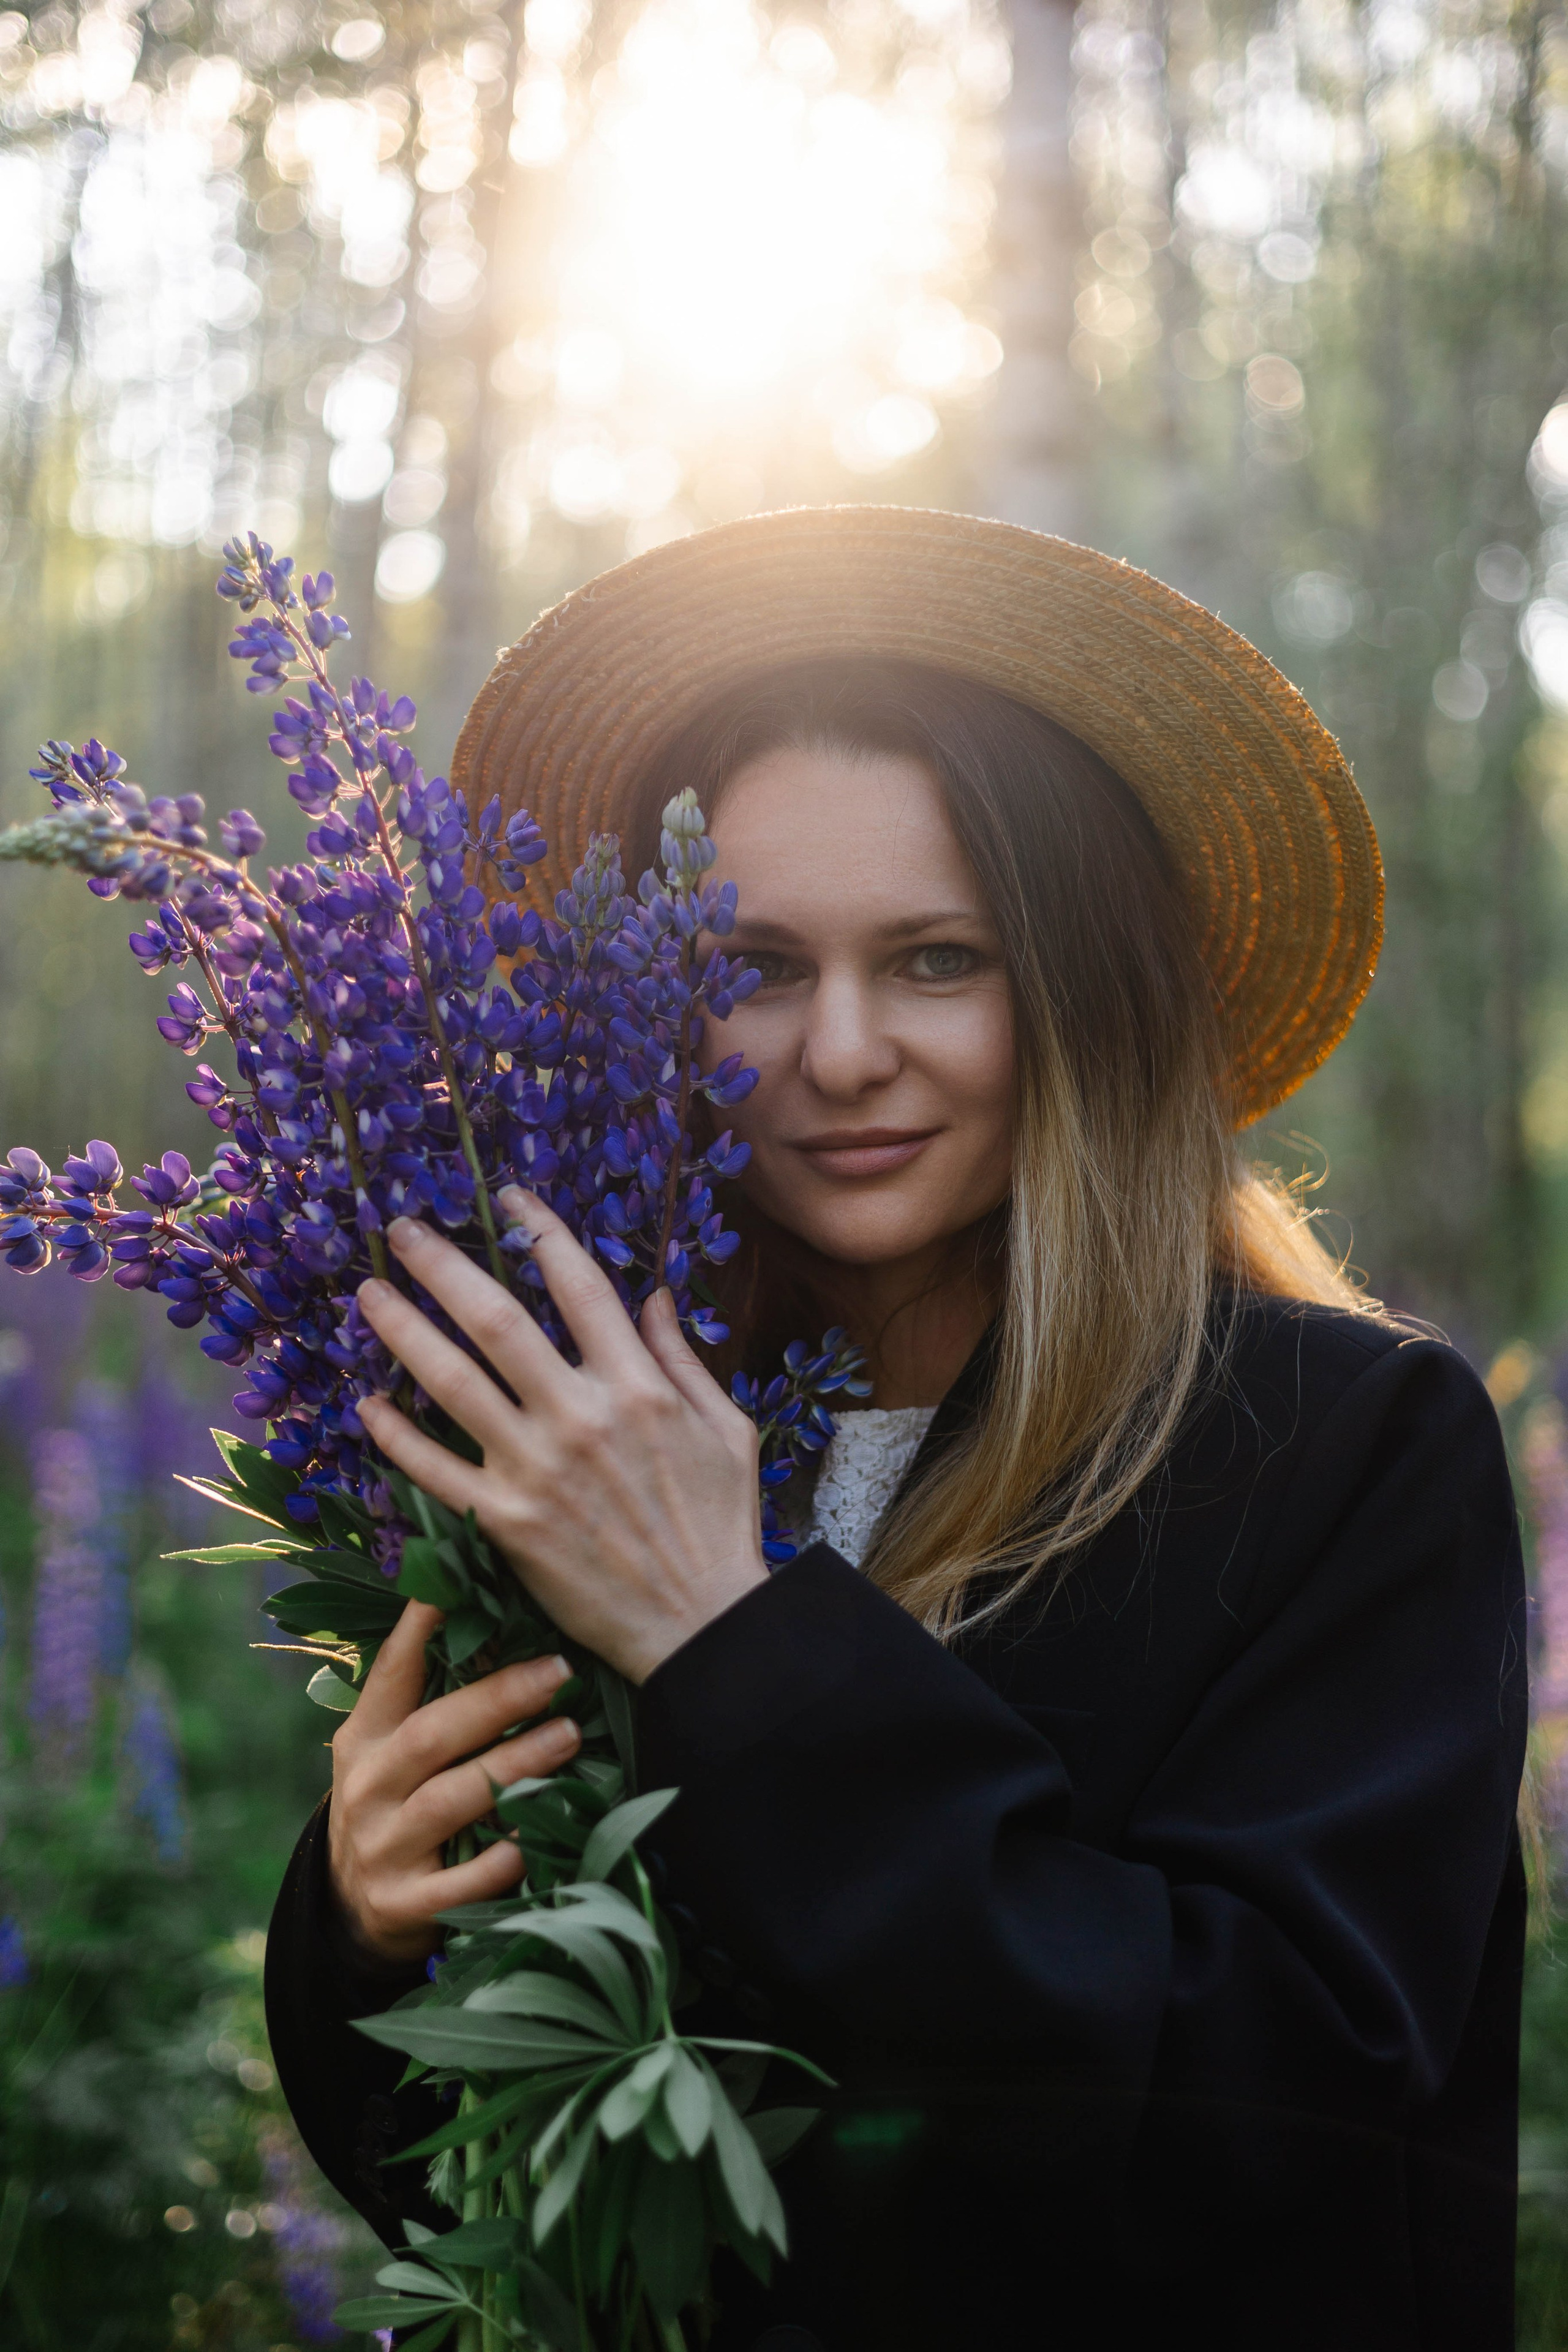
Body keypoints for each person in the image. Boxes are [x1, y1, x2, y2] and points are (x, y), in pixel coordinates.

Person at [265, 508, 1526, 2352]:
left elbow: (1268, 2119)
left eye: (940, 958)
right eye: (761, 966)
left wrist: (730, 1640)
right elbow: (496, 2184)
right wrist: (363, 1918)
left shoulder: (1334, 1448)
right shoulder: (612, 1423)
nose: (842, 1051)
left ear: (1083, 992)